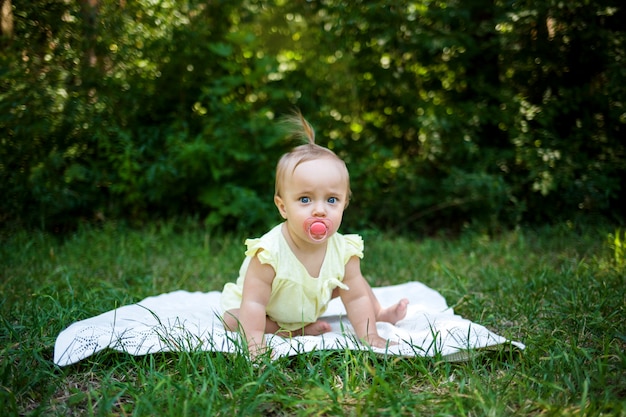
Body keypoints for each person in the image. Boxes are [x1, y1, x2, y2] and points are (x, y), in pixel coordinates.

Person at [220, 112, 409, 358]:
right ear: (283, 206)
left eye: (332, 200)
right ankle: (290, 331)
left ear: (344, 204)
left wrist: (369, 335)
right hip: (267, 308)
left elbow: (356, 297)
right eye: (305, 199)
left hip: (309, 298)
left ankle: (379, 314)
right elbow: (254, 303)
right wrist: (255, 343)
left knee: (354, 284)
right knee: (233, 319)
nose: (319, 210)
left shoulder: (344, 250)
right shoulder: (268, 253)